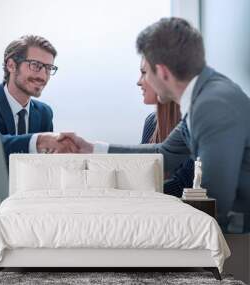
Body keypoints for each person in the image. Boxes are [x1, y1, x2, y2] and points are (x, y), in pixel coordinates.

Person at [59, 17, 250, 233]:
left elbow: (214, 206)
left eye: (146, 71)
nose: (143, 79)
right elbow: (164, 153)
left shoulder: (212, 105)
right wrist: (91, 148)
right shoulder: (204, 96)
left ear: (163, 72)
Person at [0, 35, 76, 157]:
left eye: (48, 68)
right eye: (35, 65)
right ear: (11, 65)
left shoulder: (44, 112)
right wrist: (40, 141)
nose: (43, 76)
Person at [138, 58, 194, 197]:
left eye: (144, 73)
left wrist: (131, 193)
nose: (139, 81)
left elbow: (184, 184)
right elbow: (140, 173)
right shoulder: (151, 122)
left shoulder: (196, 123)